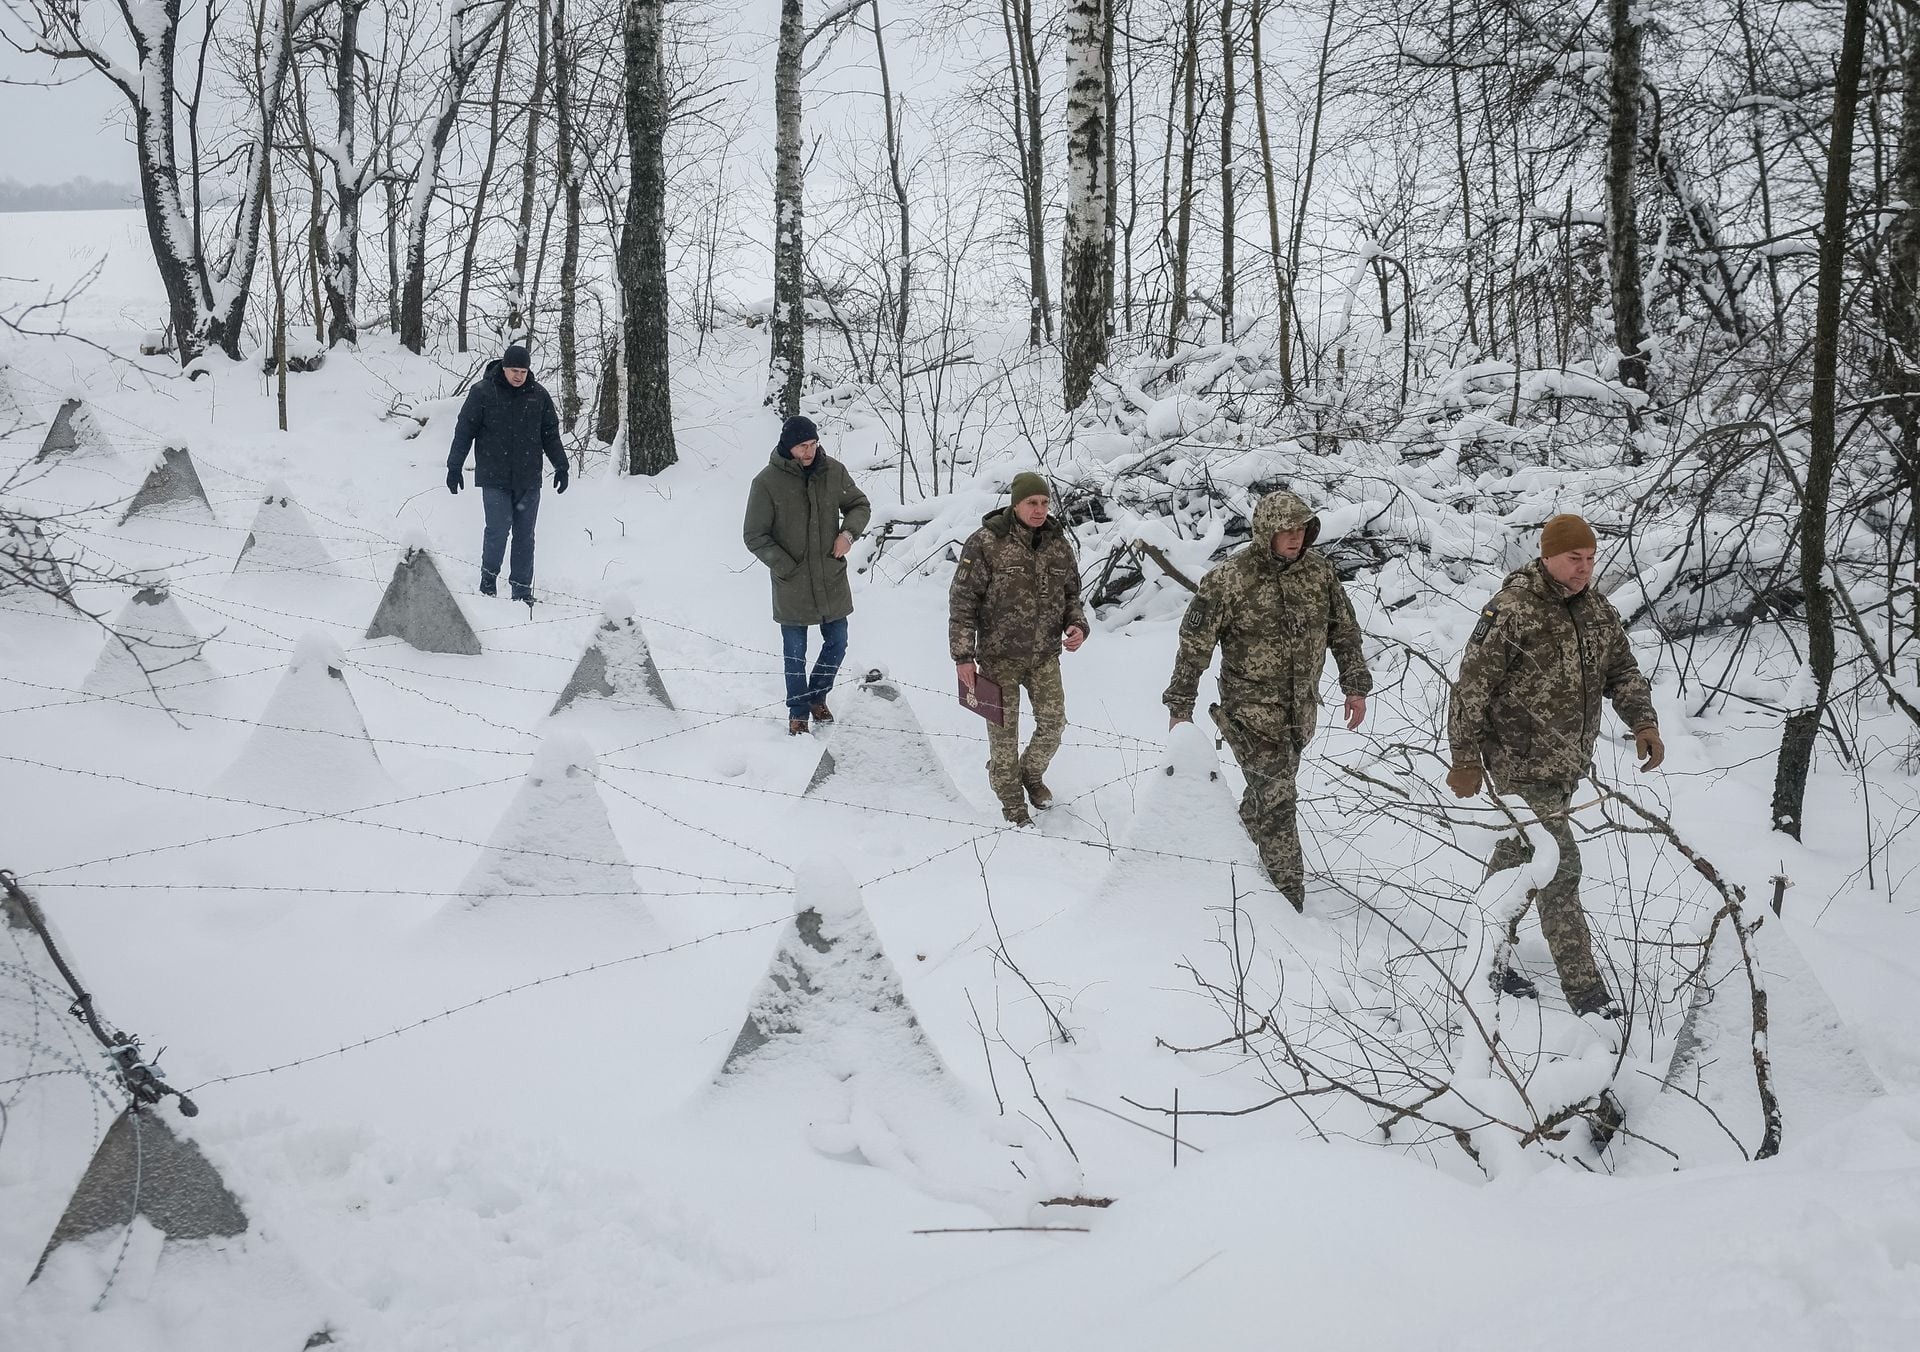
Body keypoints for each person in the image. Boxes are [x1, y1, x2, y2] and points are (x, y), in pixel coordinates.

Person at [1446, 513, 1665, 1022]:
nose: (1584, 568)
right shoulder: (1512, 611)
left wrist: (1645, 724)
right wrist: (1464, 759)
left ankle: (1485, 957)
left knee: (1516, 862)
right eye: (1574, 559)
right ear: (1548, 555)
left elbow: (1622, 671)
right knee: (1560, 869)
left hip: (1568, 764)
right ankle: (1588, 998)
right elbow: (1471, 688)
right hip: (1518, 764)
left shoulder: (1596, 611)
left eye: (1590, 559)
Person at [1163, 490, 1371, 911]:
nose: (1294, 538)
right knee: (1278, 803)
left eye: (1300, 529)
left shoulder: (1319, 574)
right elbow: (1194, 645)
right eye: (1285, 531)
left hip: (1300, 713)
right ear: (1265, 532)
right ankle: (1288, 903)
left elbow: (1344, 632)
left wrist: (1355, 684)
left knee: (1265, 798)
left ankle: (1221, 852)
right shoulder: (1230, 578)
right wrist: (1180, 707)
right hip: (1249, 715)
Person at [948, 472, 1088, 826]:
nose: (1040, 510)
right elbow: (963, 602)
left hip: (1044, 656)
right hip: (998, 659)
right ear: (1016, 504)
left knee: (1054, 725)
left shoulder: (1058, 544)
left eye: (1044, 502)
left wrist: (1077, 625)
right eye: (1032, 503)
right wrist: (963, 657)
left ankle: (1030, 774)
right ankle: (1012, 804)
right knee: (1003, 736)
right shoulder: (985, 543)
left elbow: (1071, 595)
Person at [742, 416, 872, 735]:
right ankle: (798, 712)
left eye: (813, 444)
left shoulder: (833, 471)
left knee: (838, 642)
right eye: (803, 446)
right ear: (789, 446)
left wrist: (849, 535)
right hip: (792, 584)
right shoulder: (766, 483)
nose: (810, 451)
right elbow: (754, 534)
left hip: (830, 578)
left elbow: (859, 505)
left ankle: (817, 696)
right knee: (795, 654)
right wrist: (786, 566)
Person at [445, 343, 569, 603]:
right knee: (497, 530)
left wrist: (561, 465)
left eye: (523, 371)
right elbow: (464, 431)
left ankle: (521, 591)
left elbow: (550, 435)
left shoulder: (538, 396)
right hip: (494, 477)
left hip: (528, 479)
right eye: (513, 370)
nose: (518, 376)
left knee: (525, 536)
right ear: (503, 367)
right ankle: (488, 584)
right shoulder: (482, 393)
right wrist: (454, 466)